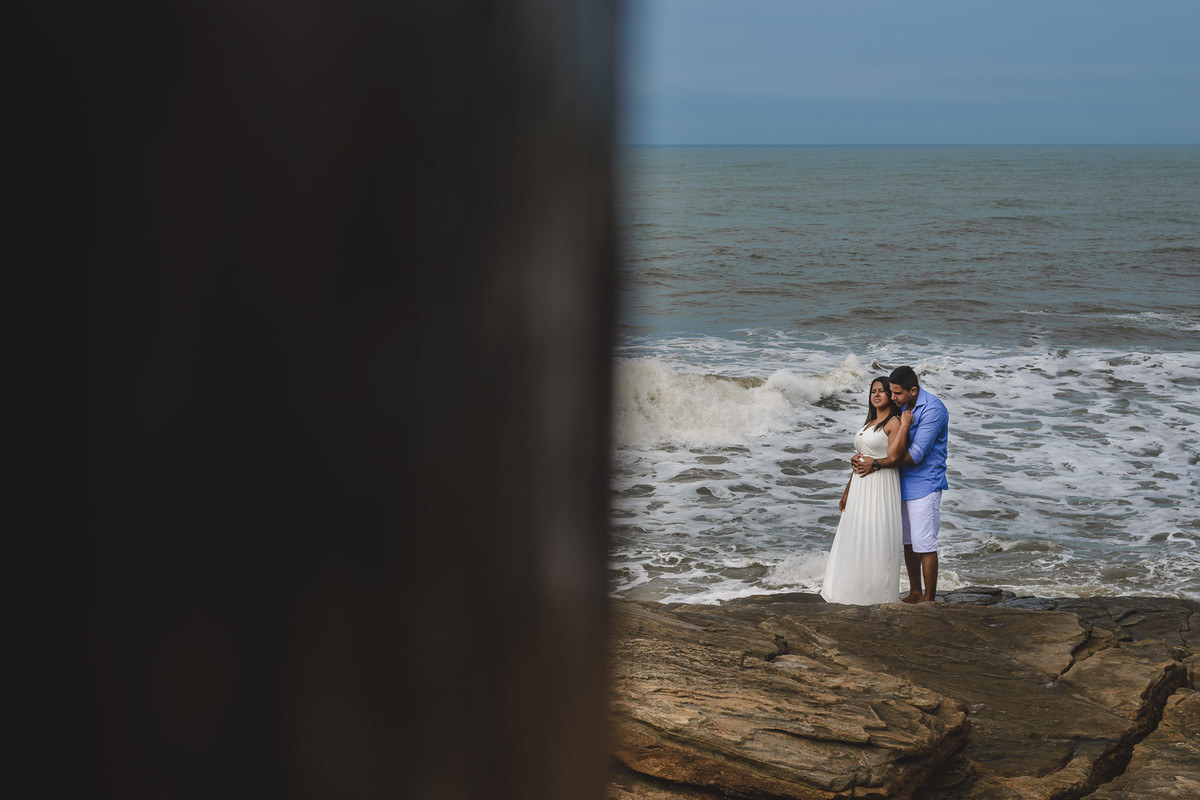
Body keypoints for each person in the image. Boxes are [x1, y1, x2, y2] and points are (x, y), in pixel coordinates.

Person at [851, 365, 949, 603]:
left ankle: (929, 600)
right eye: (891, 393)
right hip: (899, 482)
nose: (892, 397)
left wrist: (876, 464)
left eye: (896, 393)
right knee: (907, 541)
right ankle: (915, 592)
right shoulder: (904, 405)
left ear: (913, 391)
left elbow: (915, 455)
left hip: (924, 484)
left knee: (924, 542)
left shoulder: (933, 410)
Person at [821, 377, 911, 605]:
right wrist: (846, 492)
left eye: (882, 391)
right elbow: (859, 462)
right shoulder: (870, 423)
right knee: (855, 536)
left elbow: (896, 457)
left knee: (876, 536)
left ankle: (874, 595)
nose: (877, 395)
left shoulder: (893, 422)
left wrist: (906, 425)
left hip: (880, 485)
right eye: (873, 391)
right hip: (860, 486)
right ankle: (850, 592)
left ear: (891, 395)